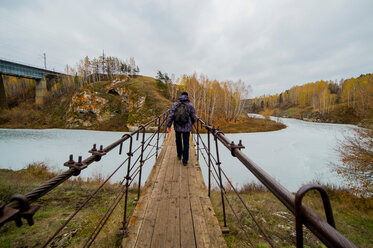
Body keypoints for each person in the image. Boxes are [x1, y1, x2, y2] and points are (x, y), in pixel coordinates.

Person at [167, 92, 196, 166]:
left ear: (180, 96)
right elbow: (193, 116)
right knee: (186, 143)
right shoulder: (190, 105)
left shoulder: (175, 104)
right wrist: (192, 123)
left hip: (177, 126)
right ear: (187, 96)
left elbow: (171, 115)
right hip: (187, 127)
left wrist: (169, 126)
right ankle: (185, 160)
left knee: (178, 140)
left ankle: (179, 155)